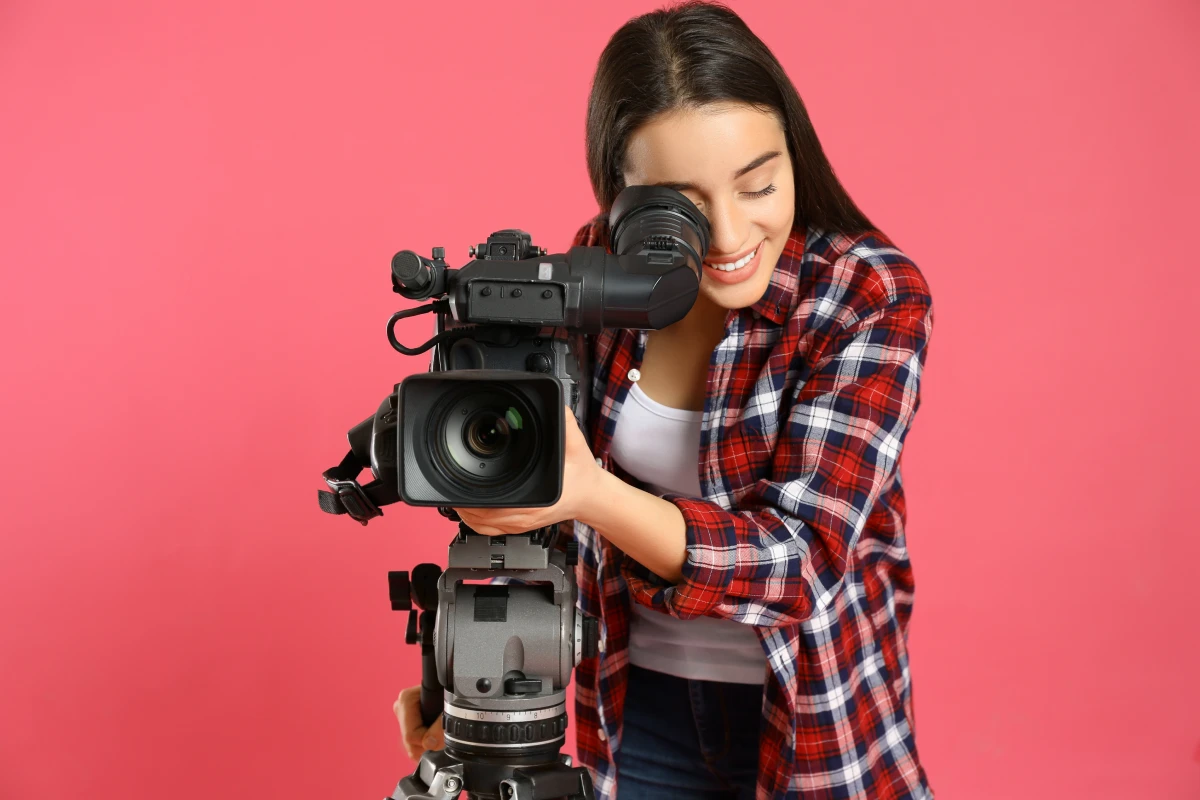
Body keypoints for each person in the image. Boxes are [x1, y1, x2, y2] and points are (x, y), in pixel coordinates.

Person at [396, 2, 935, 798]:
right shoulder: (592, 270)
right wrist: (469, 693)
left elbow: (804, 563)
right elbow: (527, 491)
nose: (727, 234)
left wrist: (592, 495)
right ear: (621, 191)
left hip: (814, 719)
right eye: (681, 201)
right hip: (630, 705)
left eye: (759, 183)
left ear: (796, 154)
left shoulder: (866, 294)